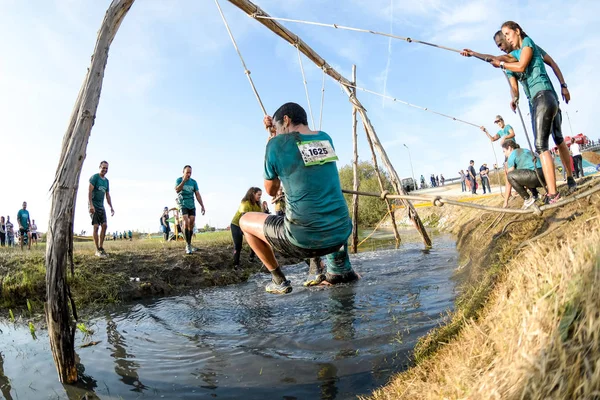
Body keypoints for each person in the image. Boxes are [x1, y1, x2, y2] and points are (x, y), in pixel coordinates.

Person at [239, 102, 359, 294]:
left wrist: (271, 139)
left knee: (245, 221)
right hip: (340, 233)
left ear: (286, 120)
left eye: (278, 127)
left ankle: (278, 280)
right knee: (322, 202)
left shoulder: (275, 144)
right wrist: (274, 132)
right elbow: (300, 156)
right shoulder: (325, 138)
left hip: (303, 240)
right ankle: (330, 269)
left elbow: (271, 190)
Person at [502, 139, 545, 209]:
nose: (504, 154)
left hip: (536, 177)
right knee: (522, 175)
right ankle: (536, 195)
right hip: (545, 177)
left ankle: (528, 200)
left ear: (509, 148)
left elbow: (508, 181)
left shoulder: (512, 155)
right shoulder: (524, 150)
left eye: (504, 151)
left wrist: (505, 201)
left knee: (510, 176)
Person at [175, 165, 206, 254]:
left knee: (191, 223)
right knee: (186, 222)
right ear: (183, 172)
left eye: (190, 173)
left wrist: (202, 205)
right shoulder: (179, 180)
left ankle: (189, 243)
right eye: (187, 172)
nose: (189, 174)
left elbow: (197, 194)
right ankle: (188, 245)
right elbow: (177, 190)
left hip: (191, 205)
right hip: (183, 204)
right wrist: (184, 181)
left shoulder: (194, 182)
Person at [230, 187, 262, 269]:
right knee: (238, 245)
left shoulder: (257, 206)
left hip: (248, 225)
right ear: (253, 194)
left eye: (260, 195)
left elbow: (260, 218)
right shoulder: (245, 203)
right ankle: (236, 265)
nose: (260, 197)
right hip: (236, 225)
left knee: (255, 241)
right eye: (258, 195)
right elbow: (244, 218)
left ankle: (251, 258)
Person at [89, 161, 115, 257]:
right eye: (103, 167)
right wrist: (91, 205)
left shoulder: (106, 181)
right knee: (96, 226)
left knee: (104, 225)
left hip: (101, 206)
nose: (105, 170)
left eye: (106, 168)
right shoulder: (95, 177)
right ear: (99, 167)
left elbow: (107, 195)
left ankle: (101, 247)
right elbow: (89, 192)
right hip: (94, 205)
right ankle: (97, 250)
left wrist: (111, 207)